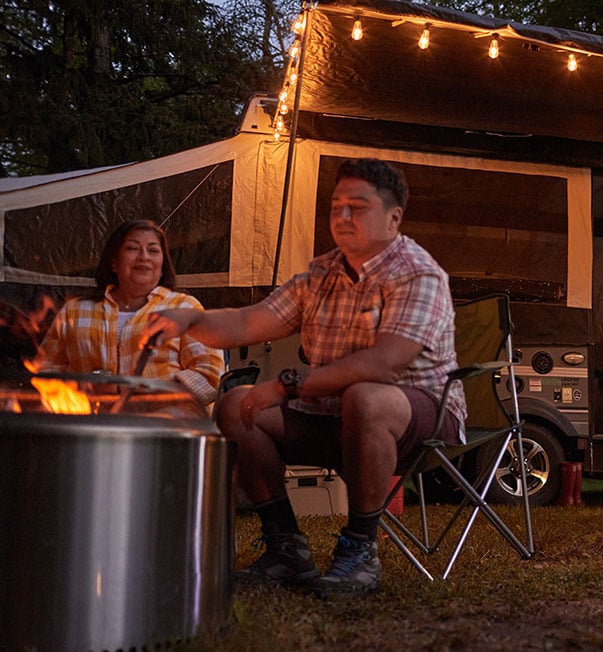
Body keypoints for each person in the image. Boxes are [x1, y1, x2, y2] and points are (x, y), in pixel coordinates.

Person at [144, 158, 466, 598]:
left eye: (358, 206)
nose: (343, 217)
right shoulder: (321, 274)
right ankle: (286, 548)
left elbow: (384, 364)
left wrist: (286, 385)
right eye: (336, 206)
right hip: (330, 416)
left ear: (394, 218)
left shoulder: (418, 274)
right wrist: (188, 319)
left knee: (366, 397)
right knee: (237, 406)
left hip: (416, 415)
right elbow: (248, 322)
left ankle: (359, 550)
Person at [33, 220, 224, 406]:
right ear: (114, 262)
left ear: (162, 265)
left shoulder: (184, 308)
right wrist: (85, 386)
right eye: (132, 248)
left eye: (153, 250)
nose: (144, 257)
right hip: (89, 420)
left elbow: (209, 373)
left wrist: (145, 393)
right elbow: (44, 371)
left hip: (164, 421)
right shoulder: (75, 310)